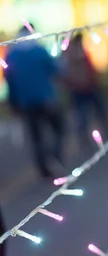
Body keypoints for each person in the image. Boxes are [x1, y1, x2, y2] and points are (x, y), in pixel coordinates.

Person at [4, 26, 65, 179]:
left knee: (36, 136)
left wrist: (14, 102)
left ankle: (43, 167)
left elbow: (9, 80)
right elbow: (55, 70)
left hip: (26, 103)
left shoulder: (12, 55)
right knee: (58, 129)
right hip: (46, 99)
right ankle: (54, 157)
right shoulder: (39, 51)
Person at [61, 33, 108, 148]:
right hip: (83, 88)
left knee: (88, 115)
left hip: (83, 88)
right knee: (90, 115)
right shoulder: (75, 55)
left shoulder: (70, 55)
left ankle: (88, 139)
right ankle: (100, 136)